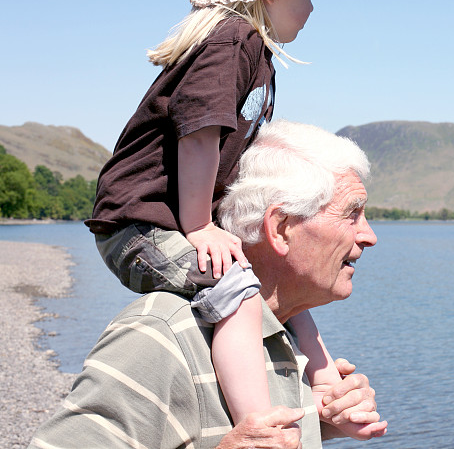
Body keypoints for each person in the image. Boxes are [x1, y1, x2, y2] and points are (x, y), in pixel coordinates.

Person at [84, 0, 345, 428]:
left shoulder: (252, 50)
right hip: (139, 227)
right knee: (236, 291)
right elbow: (199, 135)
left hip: (168, 221)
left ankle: (326, 378)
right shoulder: (231, 43)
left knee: (272, 274)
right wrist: (201, 225)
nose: (314, 5)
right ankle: (259, 422)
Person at [30, 120, 387, 449]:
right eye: (351, 213)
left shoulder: (286, 333)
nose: (369, 236)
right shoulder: (162, 333)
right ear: (279, 228)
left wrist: (320, 419)